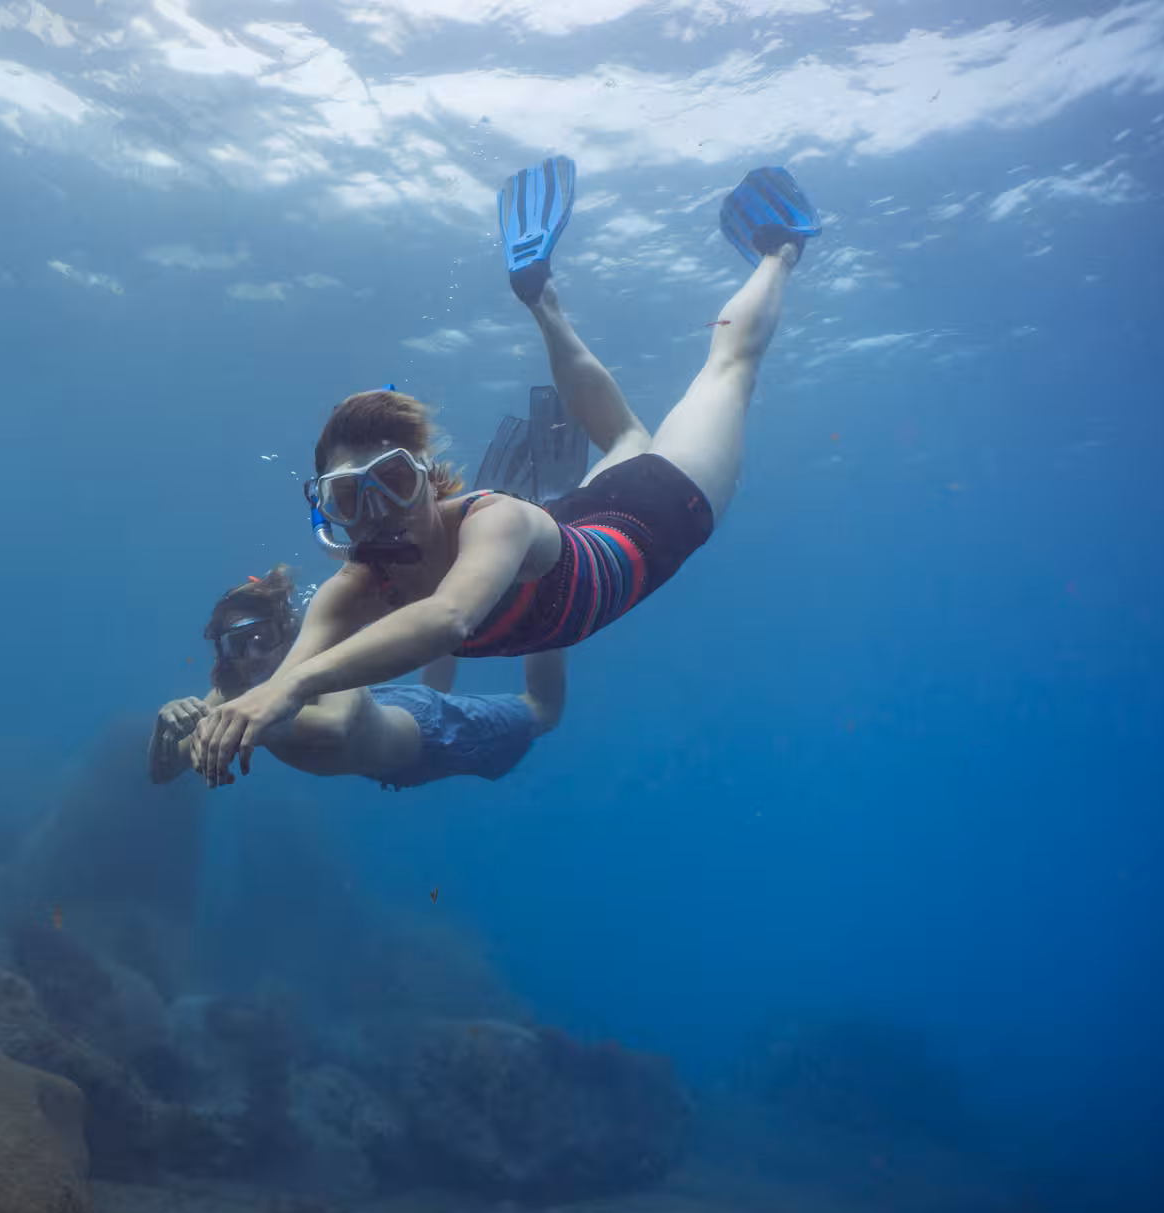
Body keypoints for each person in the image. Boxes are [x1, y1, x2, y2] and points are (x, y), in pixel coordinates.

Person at [194, 160, 820, 783]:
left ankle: (780, 249)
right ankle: (541, 301)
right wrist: (228, 709)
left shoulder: (494, 519)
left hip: (656, 512)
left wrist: (292, 684)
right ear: (325, 510)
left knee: (728, 370)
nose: (379, 510)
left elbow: (447, 620)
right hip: (580, 520)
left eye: (393, 480)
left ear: (429, 477)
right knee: (624, 433)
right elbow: (289, 689)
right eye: (351, 497)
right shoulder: (351, 592)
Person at [149, 566, 564, 791]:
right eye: (235, 645)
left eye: (261, 638)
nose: (251, 655)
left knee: (543, 710)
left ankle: (544, 582)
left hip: (434, 730)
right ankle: (443, 593)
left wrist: (247, 724)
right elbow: (163, 772)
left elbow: (335, 726)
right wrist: (166, 726)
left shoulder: (322, 662)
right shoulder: (232, 694)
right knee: (427, 688)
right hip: (388, 729)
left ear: (287, 634)